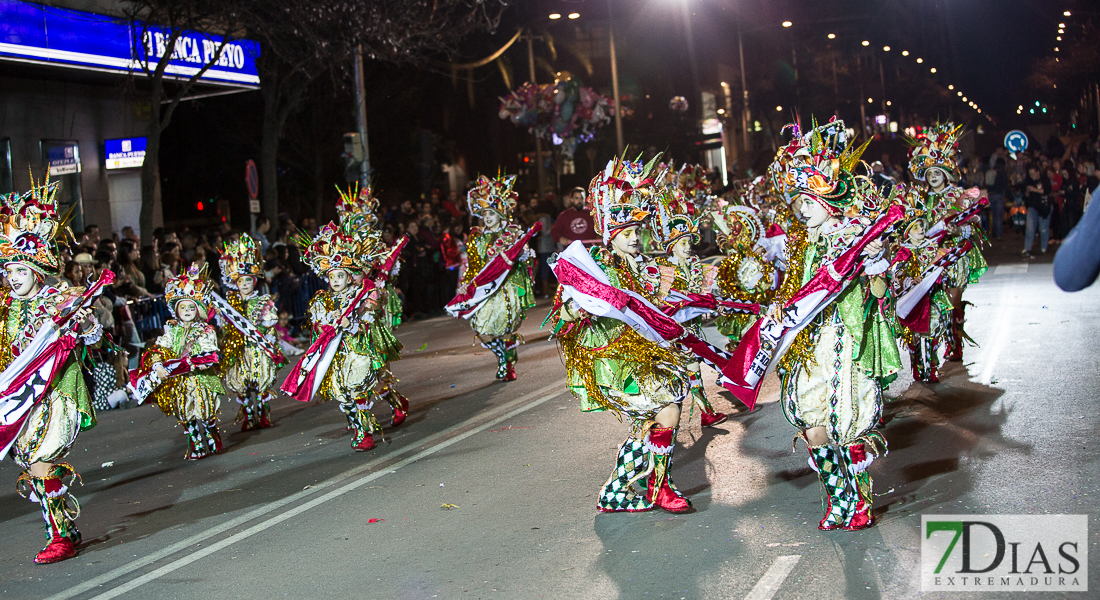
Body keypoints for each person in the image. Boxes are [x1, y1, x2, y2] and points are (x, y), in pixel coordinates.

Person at [549, 155, 693, 514]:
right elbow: (560, 317)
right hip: (613, 363)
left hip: (644, 358)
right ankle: (652, 488)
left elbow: (658, 311)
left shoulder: (645, 269)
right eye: (627, 233)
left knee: (660, 417)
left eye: (637, 233)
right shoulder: (592, 268)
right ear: (611, 235)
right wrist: (575, 309)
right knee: (666, 411)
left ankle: (631, 489)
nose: (635, 239)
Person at [772, 118, 895, 530]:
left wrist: (876, 261)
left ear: (827, 201)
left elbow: (879, 294)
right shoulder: (803, 245)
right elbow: (793, 292)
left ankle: (858, 503)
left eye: (808, 201)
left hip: (849, 342)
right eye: (798, 202)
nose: (801, 210)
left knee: (851, 426)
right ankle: (839, 497)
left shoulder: (857, 239)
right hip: (812, 346)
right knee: (814, 426)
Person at [2, 180, 103, 563]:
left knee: (42, 463)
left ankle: (59, 537)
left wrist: (85, 323)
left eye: (19, 269)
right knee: (32, 465)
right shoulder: (5, 308)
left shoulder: (61, 299)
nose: (13, 277)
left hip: (56, 392)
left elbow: (93, 338)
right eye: (8, 269)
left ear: (36, 268)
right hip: (19, 399)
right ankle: (66, 527)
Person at [297, 221, 385, 451]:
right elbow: (315, 329)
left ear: (349, 277)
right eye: (332, 276)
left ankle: (364, 433)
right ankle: (357, 427)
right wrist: (326, 323)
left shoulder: (361, 297)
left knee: (357, 391)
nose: (335, 281)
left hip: (357, 351)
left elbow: (368, 326)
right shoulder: (321, 301)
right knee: (343, 396)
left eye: (340, 276)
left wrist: (350, 324)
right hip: (334, 355)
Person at [650, 178, 728, 427]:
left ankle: (704, 408)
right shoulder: (664, 271)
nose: (688, 247)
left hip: (693, 326)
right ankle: (699, 411)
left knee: (694, 365)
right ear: (671, 247)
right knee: (690, 366)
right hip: (674, 329)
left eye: (689, 242)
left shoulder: (695, 265)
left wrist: (708, 305)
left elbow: (704, 292)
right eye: (683, 243)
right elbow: (662, 303)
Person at [907, 123, 987, 362]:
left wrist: (959, 230)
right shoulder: (920, 199)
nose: (933, 177)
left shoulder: (956, 195)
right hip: (930, 257)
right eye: (930, 173)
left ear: (946, 174)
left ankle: (955, 343)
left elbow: (973, 221)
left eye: (937, 173)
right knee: (934, 306)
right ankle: (935, 348)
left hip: (954, 256)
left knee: (953, 302)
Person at [445, 174, 536, 381]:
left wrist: (523, 255)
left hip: (507, 286)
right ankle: (503, 357)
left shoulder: (513, 233)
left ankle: (509, 364)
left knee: (505, 329)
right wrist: (465, 284)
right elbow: (473, 264)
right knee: (481, 329)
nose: (487, 217)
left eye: (492, 213)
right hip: (485, 288)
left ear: (501, 214)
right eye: (485, 213)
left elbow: (525, 259)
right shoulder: (477, 236)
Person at [136, 264, 225, 460]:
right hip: (181, 382)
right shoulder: (172, 330)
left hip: (200, 379)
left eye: (190, 307)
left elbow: (211, 354)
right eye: (182, 307)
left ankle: (211, 435)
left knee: (205, 411)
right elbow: (158, 349)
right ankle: (195, 444)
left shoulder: (205, 330)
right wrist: (158, 366)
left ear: (197, 309)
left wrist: (196, 363)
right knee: (186, 413)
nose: (186, 311)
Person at [217, 234, 284, 431]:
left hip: (257, 348)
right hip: (239, 349)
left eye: (248, 280)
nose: (244, 284)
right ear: (235, 283)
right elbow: (224, 326)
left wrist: (267, 333)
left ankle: (263, 413)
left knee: (261, 383)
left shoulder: (263, 301)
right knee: (243, 385)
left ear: (254, 281)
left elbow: (270, 321)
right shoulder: (230, 304)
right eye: (241, 281)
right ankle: (248, 414)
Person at [1023, 165, 1052, 256]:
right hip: (1033, 206)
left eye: (1033, 174)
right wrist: (1027, 192)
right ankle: (1027, 248)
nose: (1032, 176)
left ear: (1038, 172)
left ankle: (1044, 248)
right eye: (1030, 174)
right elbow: (1026, 194)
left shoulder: (1044, 179)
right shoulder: (1029, 180)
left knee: (1043, 228)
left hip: (1044, 206)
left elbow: (1047, 191)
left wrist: (1034, 189)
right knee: (1030, 228)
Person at [987, 158, 1009, 239]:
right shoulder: (1002, 172)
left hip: (991, 195)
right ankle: (999, 235)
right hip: (999, 195)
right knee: (999, 216)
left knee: (994, 214)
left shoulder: (992, 171)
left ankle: (994, 232)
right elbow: (1006, 186)